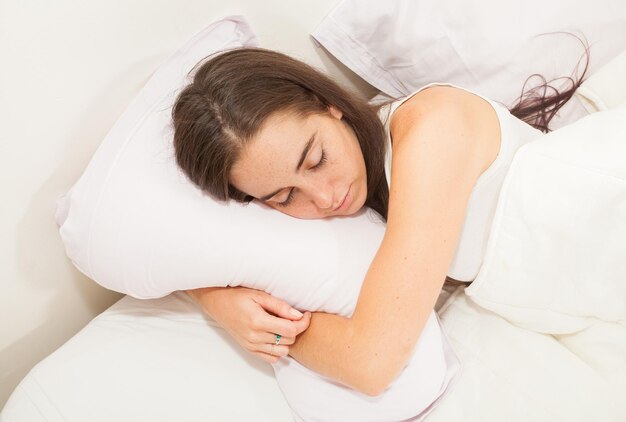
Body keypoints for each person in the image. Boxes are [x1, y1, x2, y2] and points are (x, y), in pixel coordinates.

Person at [172, 47, 585, 396]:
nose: (325, 197)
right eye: (284, 197)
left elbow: (370, 363)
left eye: (317, 160)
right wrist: (208, 292)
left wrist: (246, 319)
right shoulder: (363, 188)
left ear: (327, 103)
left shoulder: (431, 130)